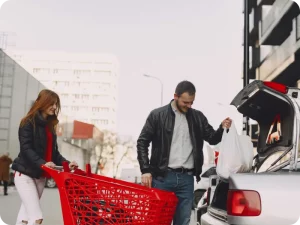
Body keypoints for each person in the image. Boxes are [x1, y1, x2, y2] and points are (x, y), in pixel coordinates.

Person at [137, 81, 232, 225]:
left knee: (183, 222)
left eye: (191, 103)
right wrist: (145, 170)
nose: (189, 106)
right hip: (162, 178)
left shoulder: (198, 117)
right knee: (158, 221)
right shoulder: (157, 115)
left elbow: (212, 138)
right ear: (175, 96)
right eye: (185, 102)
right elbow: (142, 142)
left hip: (186, 180)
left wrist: (222, 127)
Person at [12, 89, 78, 225]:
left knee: (25, 216)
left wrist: (67, 163)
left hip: (40, 176)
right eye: (51, 103)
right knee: (36, 217)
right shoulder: (28, 122)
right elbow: (26, 149)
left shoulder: (50, 127)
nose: (54, 107)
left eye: (56, 104)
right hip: (24, 174)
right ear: (42, 103)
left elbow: (54, 154)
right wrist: (43, 163)